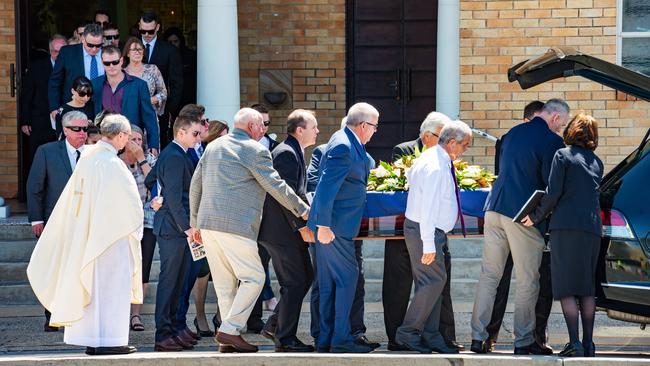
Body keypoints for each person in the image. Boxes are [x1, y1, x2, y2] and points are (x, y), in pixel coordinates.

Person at [189, 107, 309, 353]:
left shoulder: (213, 146)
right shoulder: (255, 150)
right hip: (237, 226)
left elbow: (195, 185)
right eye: (262, 126)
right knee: (255, 278)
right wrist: (303, 210)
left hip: (208, 225)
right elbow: (276, 185)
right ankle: (229, 330)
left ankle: (227, 339)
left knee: (225, 286)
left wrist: (194, 223)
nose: (264, 131)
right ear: (253, 127)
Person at [26, 114, 144, 356]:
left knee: (93, 288)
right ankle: (111, 340)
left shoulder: (88, 160)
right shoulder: (112, 165)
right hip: (111, 239)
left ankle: (93, 338)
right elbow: (130, 205)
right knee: (112, 289)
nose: (128, 141)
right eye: (127, 137)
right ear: (120, 135)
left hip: (90, 236)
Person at [470, 98, 569, 355]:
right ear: (555, 117)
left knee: (489, 276)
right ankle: (524, 340)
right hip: (521, 216)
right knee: (528, 280)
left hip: (494, 209)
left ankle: (477, 337)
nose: (561, 130)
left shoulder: (511, 133)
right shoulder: (553, 141)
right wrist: (537, 217)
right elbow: (552, 187)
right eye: (562, 124)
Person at [522, 114, 603, 358]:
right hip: (592, 229)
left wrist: (535, 216)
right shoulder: (597, 161)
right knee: (586, 288)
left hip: (566, 227)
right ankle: (589, 344)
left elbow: (553, 192)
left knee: (567, 287)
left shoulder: (563, 155)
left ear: (571, 131)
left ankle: (574, 343)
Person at [385, 111, 461, 352]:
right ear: (450, 141)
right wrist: (429, 243)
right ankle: (408, 332)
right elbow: (427, 206)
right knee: (434, 281)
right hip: (425, 229)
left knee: (433, 282)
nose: (465, 150)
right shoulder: (434, 164)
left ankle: (431, 334)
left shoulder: (433, 159)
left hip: (428, 229)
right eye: (464, 144)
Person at [306, 102, 379, 353]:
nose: (375, 131)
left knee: (329, 284)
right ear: (362, 125)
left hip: (335, 227)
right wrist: (323, 225)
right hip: (334, 228)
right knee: (348, 279)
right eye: (374, 126)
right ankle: (341, 340)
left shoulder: (348, 143)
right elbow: (325, 188)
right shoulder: (343, 145)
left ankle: (327, 339)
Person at [486, 100, 553, 352]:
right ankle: (493, 334)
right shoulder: (509, 138)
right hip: (516, 217)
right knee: (506, 279)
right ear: (529, 119)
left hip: (526, 218)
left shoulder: (516, 137)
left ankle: (536, 335)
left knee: (537, 281)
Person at [257, 109, 318, 352]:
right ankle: (285, 339)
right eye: (313, 127)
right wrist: (302, 225)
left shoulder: (294, 151)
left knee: (304, 277)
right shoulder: (285, 154)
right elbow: (285, 196)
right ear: (300, 130)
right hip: (281, 231)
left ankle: (275, 326)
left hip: (286, 231)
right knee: (295, 282)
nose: (317, 131)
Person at [26, 110, 89, 332]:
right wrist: (36, 219)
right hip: (55, 222)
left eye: (85, 128)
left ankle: (79, 314)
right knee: (54, 269)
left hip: (85, 223)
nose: (82, 133)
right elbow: (35, 188)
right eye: (77, 129)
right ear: (65, 130)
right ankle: (51, 314)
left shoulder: (93, 154)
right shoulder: (47, 152)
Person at [152, 115, 203, 352]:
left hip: (178, 228)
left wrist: (154, 196)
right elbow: (173, 197)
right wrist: (188, 228)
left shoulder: (178, 154)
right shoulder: (173, 155)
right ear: (181, 132)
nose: (199, 137)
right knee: (170, 283)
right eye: (195, 133)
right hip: (174, 230)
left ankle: (174, 328)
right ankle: (163, 334)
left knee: (180, 282)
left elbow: (153, 177)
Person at [119, 125, 156, 332]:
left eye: (139, 139)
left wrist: (141, 158)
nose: (135, 143)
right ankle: (119, 313)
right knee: (122, 269)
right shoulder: (116, 161)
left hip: (147, 222)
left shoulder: (149, 159)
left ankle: (135, 315)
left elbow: (154, 185)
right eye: (131, 138)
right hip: (122, 223)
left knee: (142, 270)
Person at [90, 45, 160, 153]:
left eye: (115, 62)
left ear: (121, 61)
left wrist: (153, 144)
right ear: (102, 63)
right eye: (107, 63)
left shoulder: (139, 85)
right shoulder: (95, 84)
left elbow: (149, 117)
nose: (111, 66)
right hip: (103, 143)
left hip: (130, 142)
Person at [248, 103, 279, 333]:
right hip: (246, 216)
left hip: (268, 217)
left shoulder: (276, 149)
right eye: (260, 123)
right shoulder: (239, 147)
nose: (264, 128)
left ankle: (256, 318)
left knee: (262, 268)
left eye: (267, 124)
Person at [21, 34, 67, 167]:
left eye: (61, 51)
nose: (58, 55)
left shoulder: (72, 66)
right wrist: (25, 121)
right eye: (54, 51)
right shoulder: (37, 67)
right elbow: (27, 94)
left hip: (65, 120)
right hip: (40, 120)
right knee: (38, 159)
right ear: (49, 51)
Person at [139, 10, 183, 147]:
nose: (146, 35)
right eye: (143, 31)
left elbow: (176, 84)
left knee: (158, 146)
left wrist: (169, 110)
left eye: (150, 31)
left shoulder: (169, 50)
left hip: (160, 110)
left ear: (157, 28)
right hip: (134, 108)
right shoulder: (130, 47)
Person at [49, 23, 104, 118]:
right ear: (83, 39)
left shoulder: (107, 53)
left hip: (101, 108)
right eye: (90, 45)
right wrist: (54, 108)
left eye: (98, 45)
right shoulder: (67, 53)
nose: (94, 49)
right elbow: (55, 81)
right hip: (73, 108)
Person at [123, 37, 167, 117]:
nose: (138, 52)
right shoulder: (122, 72)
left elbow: (163, 93)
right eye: (134, 50)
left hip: (149, 114)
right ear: (128, 53)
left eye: (140, 49)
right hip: (128, 115)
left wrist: (149, 101)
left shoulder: (153, 69)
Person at [163, 27, 197, 107]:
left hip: (188, 99)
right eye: (170, 42)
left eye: (175, 41)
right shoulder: (162, 57)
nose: (172, 45)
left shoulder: (190, 56)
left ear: (181, 42)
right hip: (169, 100)